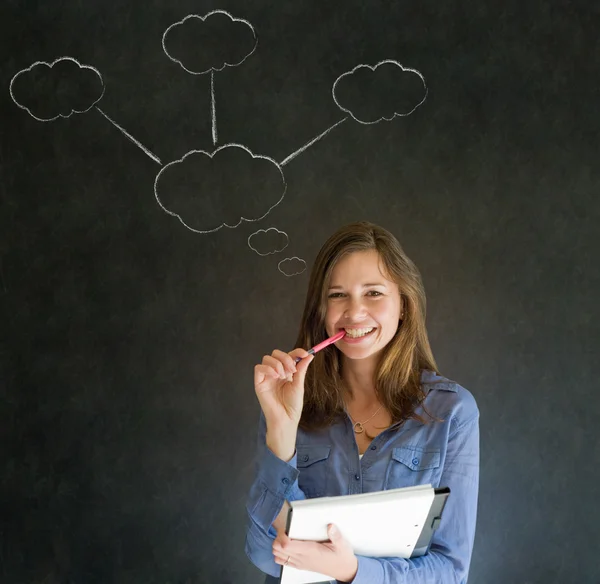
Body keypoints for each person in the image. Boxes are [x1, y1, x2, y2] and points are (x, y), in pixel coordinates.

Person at [245, 221, 479, 583]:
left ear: (404, 304)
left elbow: (450, 570)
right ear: (321, 311)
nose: (354, 313)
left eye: (373, 293)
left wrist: (351, 570)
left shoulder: (452, 413)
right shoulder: (287, 403)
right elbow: (265, 553)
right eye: (337, 295)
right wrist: (281, 429)